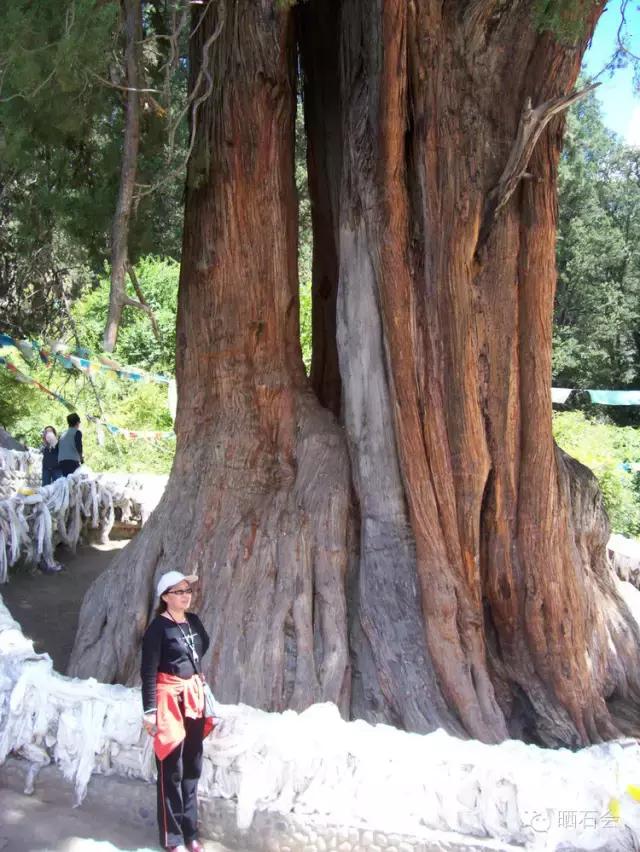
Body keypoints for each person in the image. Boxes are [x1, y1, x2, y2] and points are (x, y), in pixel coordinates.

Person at [141, 571, 214, 852]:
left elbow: (202, 645)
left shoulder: (193, 621)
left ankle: (190, 832)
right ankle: (171, 837)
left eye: (188, 591)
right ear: (165, 597)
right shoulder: (157, 628)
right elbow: (148, 671)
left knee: (192, 765)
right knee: (172, 767)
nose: (186, 595)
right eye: (179, 591)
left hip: (192, 696)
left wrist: (192, 677)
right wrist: (149, 711)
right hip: (167, 699)